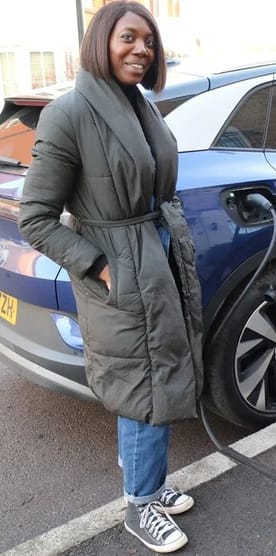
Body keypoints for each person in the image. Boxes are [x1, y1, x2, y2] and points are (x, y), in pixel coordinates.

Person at [18, 1, 204, 553]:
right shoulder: (70, 112)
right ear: (101, 40)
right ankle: (140, 504)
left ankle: (152, 483)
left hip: (156, 256)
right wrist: (98, 265)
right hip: (118, 268)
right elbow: (35, 218)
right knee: (140, 382)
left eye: (149, 41)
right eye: (129, 37)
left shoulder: (139, 103)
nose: (141, 50)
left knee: (161, 369)